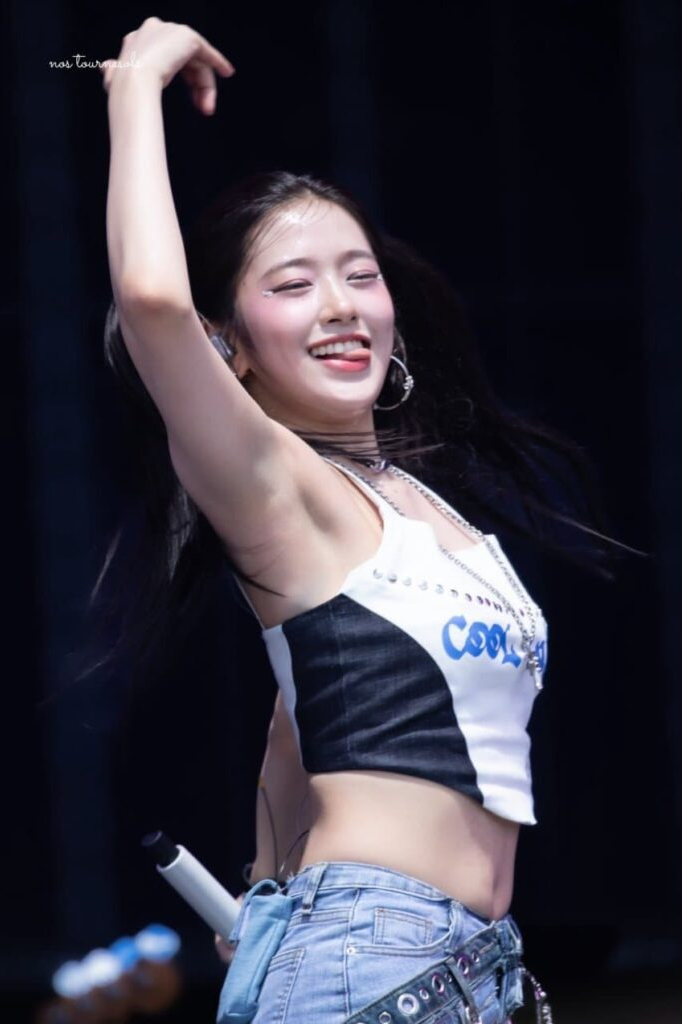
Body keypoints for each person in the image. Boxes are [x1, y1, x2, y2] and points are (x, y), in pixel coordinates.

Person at [99, 17, 623, 1024]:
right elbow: (152, 299)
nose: (340, 304)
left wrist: (263, 885)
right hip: (372, 958)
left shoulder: (418, 509)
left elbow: (298, 725)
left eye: (359, 273)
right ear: (228, 344)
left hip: (464, 965)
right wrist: (135, 81)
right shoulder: (273, 480)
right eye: (293, 286)